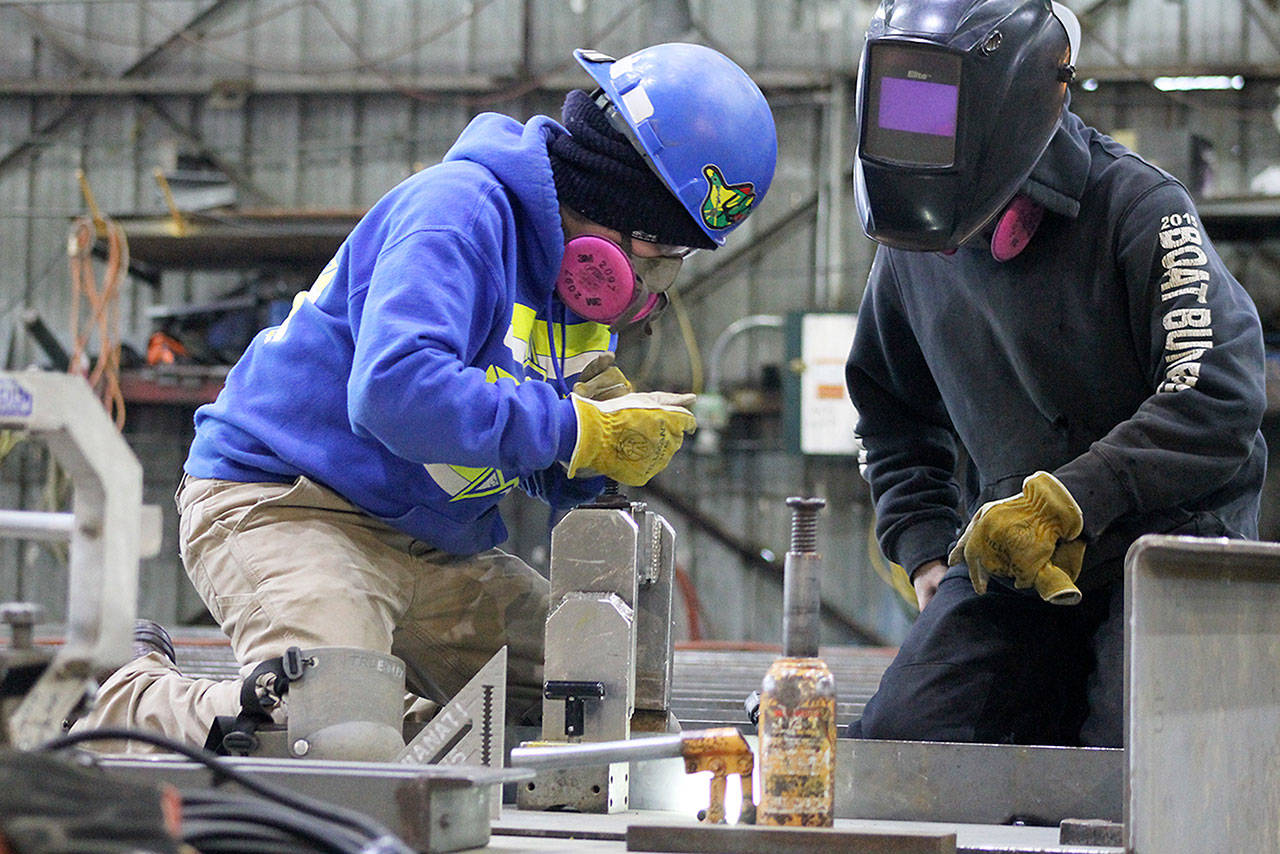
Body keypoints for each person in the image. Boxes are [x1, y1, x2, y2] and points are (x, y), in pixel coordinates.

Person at [76, 42, 777, 753]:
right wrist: (572, 430)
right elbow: (394, 393)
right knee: (333, 736)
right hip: (289, 502)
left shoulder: (581, 292)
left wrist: (595, 460)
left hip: (434, 542)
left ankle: (401, 727)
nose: (653, 283)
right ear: (612, 194)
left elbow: (524, 450)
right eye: (659, 251)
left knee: (598, 708)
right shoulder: (458, 214)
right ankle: (129, 701)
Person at [845, 0, 1266, 747]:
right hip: (1011, 556)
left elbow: (1217, 393)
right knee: (905, 748)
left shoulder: (1141, 209)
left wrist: (1073, 498)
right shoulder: (914, 238)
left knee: (1137, 762)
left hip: (1168, 550)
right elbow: (890, 412)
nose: (950, 251)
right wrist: (927, 550)